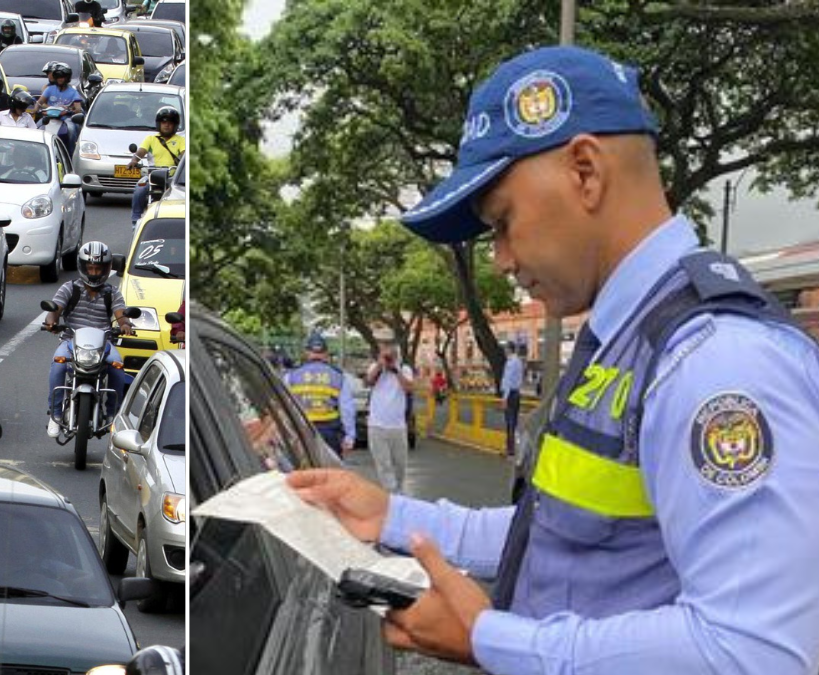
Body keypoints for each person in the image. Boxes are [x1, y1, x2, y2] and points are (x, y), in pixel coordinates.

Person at [287, 45, 819, 673]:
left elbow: (757, 651)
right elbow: (555, 531)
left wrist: (489, 639)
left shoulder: (716, 363)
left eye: (503, 222)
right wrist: (390, 516)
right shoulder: (628, 341)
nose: (501, 260)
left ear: (586, 172)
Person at [41, 241, 134, 437]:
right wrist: (51, 322)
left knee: (117, 367)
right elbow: (55, 310)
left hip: (104, 345)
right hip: (71, 342)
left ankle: (113, 415)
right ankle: (55, 414)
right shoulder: (69, 288)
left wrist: (125, 325)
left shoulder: (112, 293)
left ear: (107, 268)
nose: (94, 272)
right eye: (90, 268)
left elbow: (121, 314)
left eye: (98, 268)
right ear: (82, 267)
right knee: (58, 365)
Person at [282, 333, 355, 457]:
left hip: (301, 430)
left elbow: (284, 406)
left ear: (307, 352)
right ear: (326, 353)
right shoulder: (338, 376)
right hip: (330, 432)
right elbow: (347, 410)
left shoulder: (291, 376)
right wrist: (349, 437)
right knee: (330, 467)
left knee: (305, 466)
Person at [364, 339, 414, 492]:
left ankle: (398, 490)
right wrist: (380, 366)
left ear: (397, 354)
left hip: (398, 427)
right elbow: (367, 382)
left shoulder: (404, 369)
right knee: (383, 465)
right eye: (385, 353)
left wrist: (395, 370)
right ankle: (392, 495)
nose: (388, 357)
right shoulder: (375, 367)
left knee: (400, 464)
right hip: (376, 426)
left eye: (391, 353)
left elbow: (408, 388)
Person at [127, 106, 183, 228]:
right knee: (140, 188)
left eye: (170, 123)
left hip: (173, 178)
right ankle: (135, 220)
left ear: (175, 125)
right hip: (152, 176)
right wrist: (134, 160)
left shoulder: (181, 140)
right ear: (159, 124)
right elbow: (141, 151)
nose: (166, 125)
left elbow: (185, 155)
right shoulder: (151, 139)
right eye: (164, 122)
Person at [35, 62, 83, 149]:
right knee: (36, 128)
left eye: (63, 77)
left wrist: (70, 109)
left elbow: (78, 108)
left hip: (66, 119)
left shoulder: (73, 92)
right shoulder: (49, 89)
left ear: (67, 78)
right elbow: (40, 102)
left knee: (71, 130)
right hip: (49, 118)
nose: (60, 79)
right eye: (58, 77)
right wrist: (35, 109)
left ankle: (71, 152)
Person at [499, 342, 524, 457]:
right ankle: (513, 449)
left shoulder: (511, 362)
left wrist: (504, 398)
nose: (504, 351)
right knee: (514, 422)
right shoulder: (519, 361)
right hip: (516, 394)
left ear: (509, 349)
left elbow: (508, 380)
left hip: (510, 395)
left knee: (509, 423)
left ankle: (510, 450)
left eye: (505, 348)